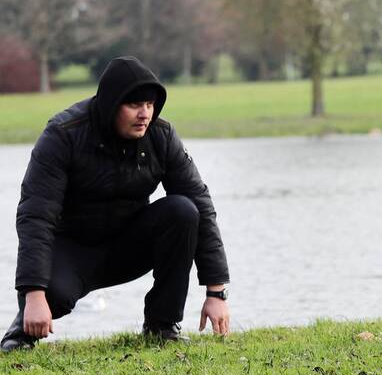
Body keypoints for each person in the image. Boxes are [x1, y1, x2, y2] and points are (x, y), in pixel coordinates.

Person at [1, 56, 230, 352]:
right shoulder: (63, 134)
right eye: (134, 105)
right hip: (72, 250)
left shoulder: (160, 135)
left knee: (183, 211)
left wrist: (216, 291)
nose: (144, 114)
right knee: (51, 295)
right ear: (111, 105)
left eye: (149, 105)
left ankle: (162, 326)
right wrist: (33, 293)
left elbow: (202, 204)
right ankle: (20, 333)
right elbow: (35, 216)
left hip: (127, 246)